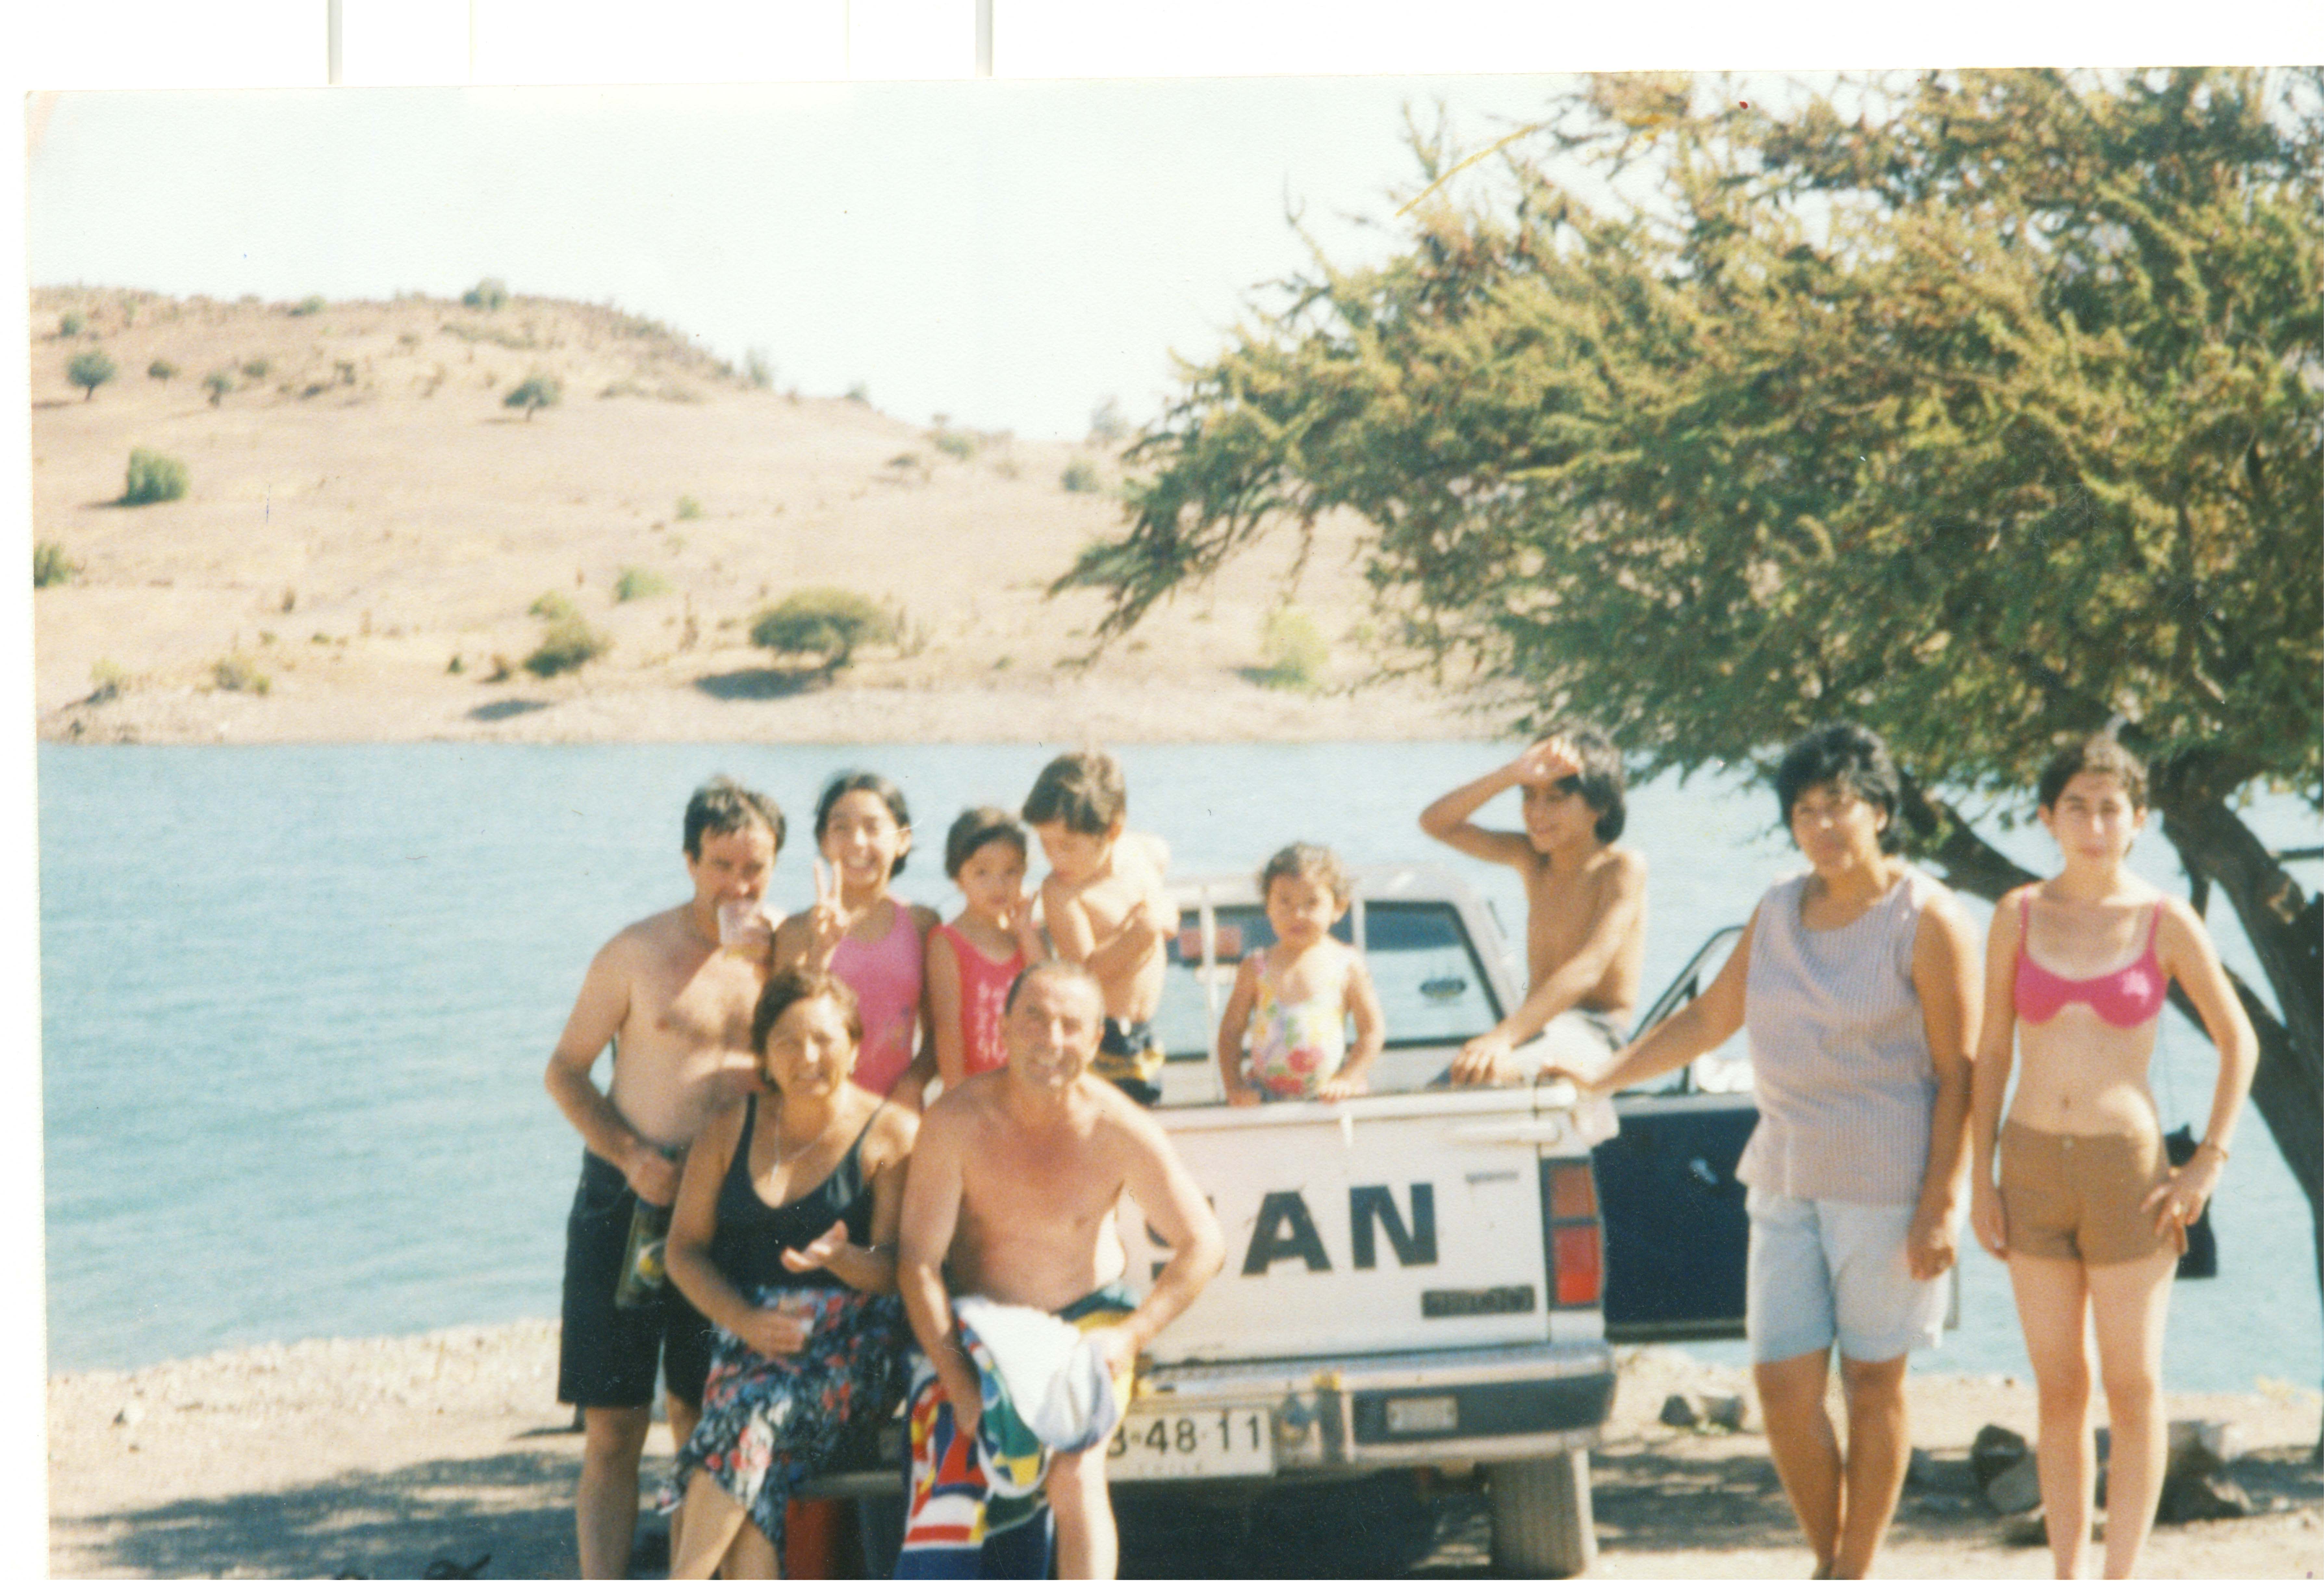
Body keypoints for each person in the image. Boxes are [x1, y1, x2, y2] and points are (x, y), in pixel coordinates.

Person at [1541, 722, 1980, 1581]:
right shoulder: (1778, 906)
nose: (1822, 825)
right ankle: (1830, 1558)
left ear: (1881, 812)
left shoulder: (1926, 918)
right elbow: (1710, 1018)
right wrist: (1604, 1076)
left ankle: (1850, 1568)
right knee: (1780, 1385)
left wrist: (1943, 1200)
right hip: (1783, 1176)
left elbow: (1959, 1073)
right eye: (1805, 810)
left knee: (1872, 1383)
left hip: (1889, 1187)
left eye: (1840, 806)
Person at [1967, 735, 2255, 1580]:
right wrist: (1975, 1179)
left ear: (2137, 820)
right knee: (2059, 1388)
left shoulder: (2165, 920)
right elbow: (1991, 1051)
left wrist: (2208, 1159)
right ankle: (2067, 1571)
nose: (2093, 823)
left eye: (2110, 807)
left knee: (2132, 1387)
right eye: (2076, 805)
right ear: (2047, 817)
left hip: (2129, 1175)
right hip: (2028, 1167)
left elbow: (2239, 1041)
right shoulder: (2016, 913)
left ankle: (2120, 1572)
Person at [896, 960, 1225, 1579]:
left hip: (1088, 1321)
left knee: (1075, 1473)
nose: (1051, 1040)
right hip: (981, 1327)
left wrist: (1131, 1336)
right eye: (1035, 1019)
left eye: (1071, 1026)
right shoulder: (956, 1121)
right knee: (954, 1472)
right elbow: (917, 1261)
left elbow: (1202, 1242)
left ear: (1097, 1038)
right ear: (1004, 1026)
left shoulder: (1118, 1126)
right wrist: (959, 1381)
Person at [544, 776, 786, 1579]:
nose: (738, 885)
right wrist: (628, 1155)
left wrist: (792, 964)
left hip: (728, 1212)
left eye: (754, 867)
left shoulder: (783, 959)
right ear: (689, 860)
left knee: (700, 1412)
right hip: (630, 1201)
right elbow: (566, 1073)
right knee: (613, 1424)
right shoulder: (635, 952)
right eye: (721, 865)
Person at [661, 967, 918, 1580]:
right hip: (748, 1341)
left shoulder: (892, 1134)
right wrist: (744, 1320)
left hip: (850, 1346)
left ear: (855, 1046)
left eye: (825, 1040)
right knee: (755, 1464)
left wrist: (844, 1259)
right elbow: (683, 1251)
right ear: (764, 1055)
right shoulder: (729, 1128)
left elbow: (898, 1271)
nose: (807, 1057)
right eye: (787, 1041)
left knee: (747, 1422)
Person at [1417, 725, 1647, 1085]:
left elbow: (1589, 967)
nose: (1536, 813)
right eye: (1528, 796)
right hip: (1538, 1026)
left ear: (1599, 807)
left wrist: (1501, 1037)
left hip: (1597, 1031)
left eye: (1554, 799)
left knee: (1478, 1077)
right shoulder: (1530, 858)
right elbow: (1436, 823)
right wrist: (1511, 773)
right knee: (1445, 1085)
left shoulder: (1620, 868)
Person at [774, 771, 941, 1107]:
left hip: (895, 1112)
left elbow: (941, 1032)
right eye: (841, 828)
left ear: (903, 839)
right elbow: (780, 1032)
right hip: (818, 1112)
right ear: (823, 841)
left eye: (873, 826)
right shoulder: (796, 930)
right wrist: (820, 950)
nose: (858, 842)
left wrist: (912, 1084)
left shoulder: (922, 924)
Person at [1021, 750, 1178, 1106]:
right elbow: (1084, 974)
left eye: (1067, 845)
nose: (1055, 858)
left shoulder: (1148, 853)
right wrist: (1143, 933)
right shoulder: (1062, 893)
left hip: (1145, 1037)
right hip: (1100, 1041)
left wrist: (1165, 911)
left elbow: (1161, 900)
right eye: (1045, 843)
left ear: (1113, 830)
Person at [1214, 842, 1385, 1103]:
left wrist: (1348, 1079)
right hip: (1263, 1097)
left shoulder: (1347, 964)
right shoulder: (1255, 966)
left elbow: (1371, 1030)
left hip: (1328, 1096)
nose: (1297, 914)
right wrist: (1234, 1086)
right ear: (1268, 906)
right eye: (1284, 902)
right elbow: (1231, 1032)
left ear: (1338, 908)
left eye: (1312, 902)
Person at [928, 807, 1049, 1090]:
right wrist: (956, 1096)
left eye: (1011, 871)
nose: (998, 884)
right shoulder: (947, 942)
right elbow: (948, 1028)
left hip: (1027, 1085)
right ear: (958, 877)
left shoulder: (1026, 936)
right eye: (982, 872)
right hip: (977, 1090)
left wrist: (1024, 931)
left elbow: (1047, 987)